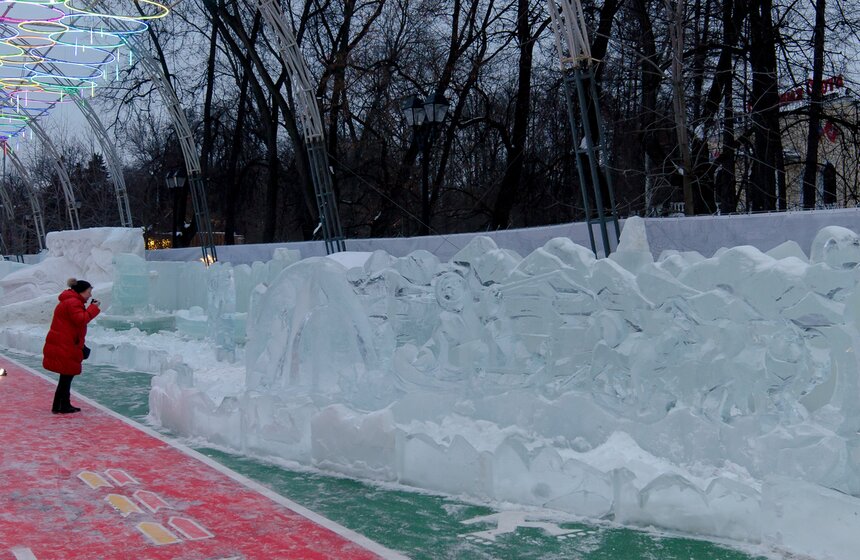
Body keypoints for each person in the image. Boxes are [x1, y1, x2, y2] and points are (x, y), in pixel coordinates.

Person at [43, 278, 101, 414]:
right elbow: (80, 320)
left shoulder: (71, 301)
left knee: (66, 376)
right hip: (66, 344)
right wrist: (94, 308)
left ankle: (61, 405)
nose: (90, 295)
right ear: (81, 292)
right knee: (66, 376)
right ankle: (60, 406)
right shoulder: (73, 303)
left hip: (66, 342)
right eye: (88, 292)